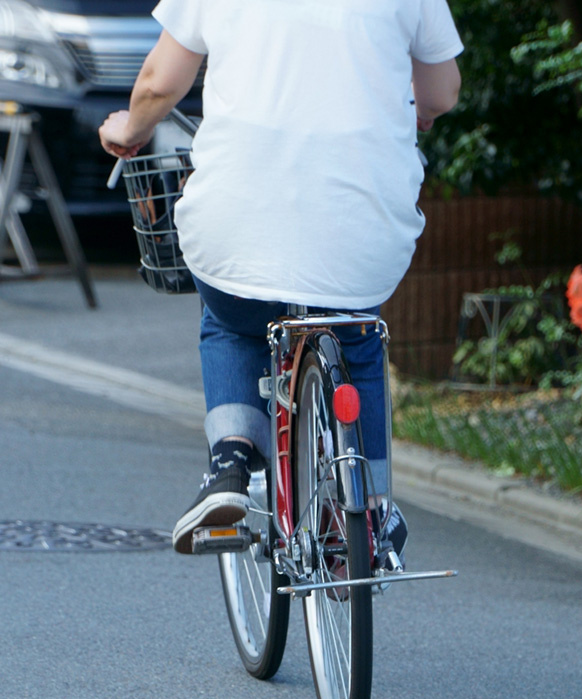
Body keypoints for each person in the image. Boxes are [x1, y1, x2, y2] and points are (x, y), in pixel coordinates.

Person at [99, 0, 462, 561]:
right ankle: (366, 513)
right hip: (360, 233)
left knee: (231, 321)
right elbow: (440, 95)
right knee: (357, 339)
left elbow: (157, 85)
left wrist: (129, 128)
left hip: (238, 227)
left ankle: (230, 464)